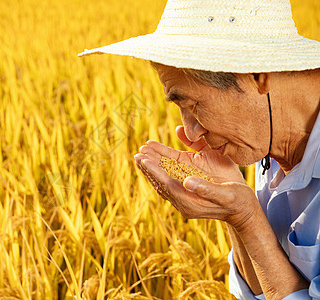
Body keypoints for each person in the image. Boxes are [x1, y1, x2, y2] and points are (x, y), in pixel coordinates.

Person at [79, 0, 320, 299]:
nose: (191, 131)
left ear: (258, 73)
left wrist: (248, 219)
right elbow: (261, 292)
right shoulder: (264, 136)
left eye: (194, 105)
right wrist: (238, 215)